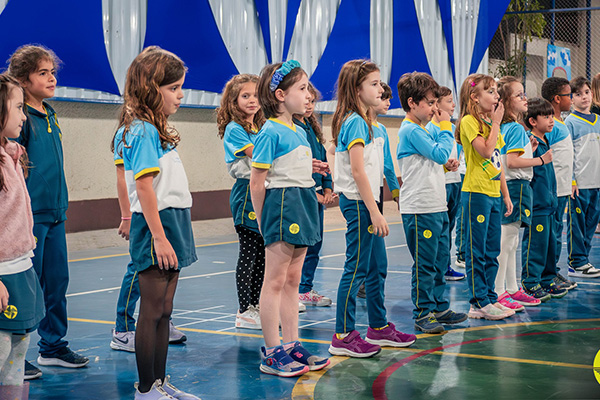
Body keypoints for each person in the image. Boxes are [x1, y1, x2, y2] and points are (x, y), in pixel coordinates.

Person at [112, 46, 199, 399]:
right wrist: (159, 238)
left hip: (174, 220)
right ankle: (145, 389)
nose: (180, 95)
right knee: (150, 311)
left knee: (165, 310)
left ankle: (161, 384)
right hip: (156, 226)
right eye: (174, 88)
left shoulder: (156, 128)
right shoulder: (141, 130)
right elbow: (144, 186)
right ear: (151, 87)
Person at [8, 45, 88, 379]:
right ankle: (15, 354)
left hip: (56, 212)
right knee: (29, 287)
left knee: (57, 282)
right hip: (32, 215)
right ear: (24, 80)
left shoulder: (49, 113)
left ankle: (53, 347)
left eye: (53, 72)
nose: (52, 78)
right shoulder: (20, 118)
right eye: (43, 73)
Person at [328, 60, 416, 357]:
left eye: (380, 83)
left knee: (378, 267)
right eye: (375, 84)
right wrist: (375, 211)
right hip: (358, 204)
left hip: (370, 202)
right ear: (357, 89)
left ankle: (378, 327)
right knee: (356, 269)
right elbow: (357, 171)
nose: (381, 88)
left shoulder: (370, 124)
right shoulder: (354, 122)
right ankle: (343, 334)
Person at [250, 60, 330, 377]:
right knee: (275, 281)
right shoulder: (269, 130)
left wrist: (310, 166)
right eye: (302, 88)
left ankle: (292, 343)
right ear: (280, 95)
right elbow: (258, 180)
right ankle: (271, 351)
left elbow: (287, 164)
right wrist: (262, 219)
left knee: (293, 282)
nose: (308, 94)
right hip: (282, 206)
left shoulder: (298, 129)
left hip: (303, 202)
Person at [396, 73, 467, 334]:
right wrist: (447, 126)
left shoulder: (424, 129)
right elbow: (438, 152)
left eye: (437, 102)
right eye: (430, 103)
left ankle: (439, 306)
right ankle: (422, 312)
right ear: (412, 103)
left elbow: (436, 159)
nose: (435, 108)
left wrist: (447, 164)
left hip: (436, 205)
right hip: (420, 208)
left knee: (439, 260)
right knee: (425, 264)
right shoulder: (410, 129)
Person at [110, 152, 188, 351]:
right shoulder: (131, 133)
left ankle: (164, 321)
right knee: (138, 269)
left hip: (169, 214)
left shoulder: (159, 133)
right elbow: (125, 179)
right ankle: (123, 328)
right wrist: (126, 216)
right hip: (144, 215)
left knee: (164, 274)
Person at [455, 74, 514, 321]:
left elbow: (496, 160)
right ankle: (478, 301)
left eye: (496, 91)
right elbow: (486, 150)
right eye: (490, 91)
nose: (496, 96)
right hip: (476, 193)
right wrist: (497, 122)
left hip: (493, 195)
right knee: (476, 250)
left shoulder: (490, 125)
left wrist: (506, 195)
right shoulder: (469, 122)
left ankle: (489, 297)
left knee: (492, 250)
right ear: (475, 97)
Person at [0, 73, 44, 399]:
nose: (24, 115)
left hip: (22, 271)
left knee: (15, 365)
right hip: (2, 279)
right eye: (18, 107)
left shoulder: (14, 155)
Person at [217, 74, 266, 329]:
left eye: (256, 95)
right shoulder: (235, 129)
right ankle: (244, 309)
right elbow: (258, 155)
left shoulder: (257, 127)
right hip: (246, 193)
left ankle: (256, 304)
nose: (252, 100)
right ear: (234, 100)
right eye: (245, 96)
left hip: (261, 191)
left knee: (262, 255)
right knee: (249, 253)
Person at [494, 76, 544, 308]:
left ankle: (512, 288)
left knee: (512, 242)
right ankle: (499, 290)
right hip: (515, 186)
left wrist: (530, 151)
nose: (524, 98)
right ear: (505, 101)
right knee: (507, 241)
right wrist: (541, 159)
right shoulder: (513, 127)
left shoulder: (512, 127)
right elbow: (512, 163)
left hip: (516, 186)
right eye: (518, 95)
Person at [356, 82, 401, 299]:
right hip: (360, 194)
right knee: (363, 245)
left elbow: (388, 165)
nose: (388, 103)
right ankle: (361, 281)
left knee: (377, 244)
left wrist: (396, 192)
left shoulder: (381, 129)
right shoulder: (357, 125)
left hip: (377, 190)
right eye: (384, 98)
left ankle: (370, 285)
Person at [521, 98, 568, 299]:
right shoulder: (530, 142)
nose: (551, 120)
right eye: (546, 117)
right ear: (532, 121)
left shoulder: (545, 140)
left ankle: (547, 278)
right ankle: (531, 281)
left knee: (550, 244)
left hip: (550, 205)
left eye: (552, 116)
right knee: (536, 245)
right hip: (538, 205)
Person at [293, 83, 335, 308]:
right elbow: (296, 168)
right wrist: (314, 194)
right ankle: (296, 291)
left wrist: (327, 188)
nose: (308, 104)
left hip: (317, 195)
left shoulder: (312, 127)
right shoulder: (291, 128)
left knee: (315, 244)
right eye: (305, 99)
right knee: (301, 246)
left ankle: (305, 288)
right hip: (303, 195)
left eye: (312, 101)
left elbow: (323, 161)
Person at [425, 86, 466, 281]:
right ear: (437, 104)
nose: (453, 105)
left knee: (449, 227)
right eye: (449, 101)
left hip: (455, 181)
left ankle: (445, 265)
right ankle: (436, 267)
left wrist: (455, 162)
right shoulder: (430, 128)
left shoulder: (452, 127)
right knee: (440, 229)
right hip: (440, 182)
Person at [541, 77, 578, 289]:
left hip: (563, 188)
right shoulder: (550, 125)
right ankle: (546, 275)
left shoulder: (560, 122)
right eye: (569, 95)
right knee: (550, 234)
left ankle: (552, 271)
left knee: (555, 233)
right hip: (552, 190)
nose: (571, 99)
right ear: (557, 98)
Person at [564, 77, 600, 278]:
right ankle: (576, 262)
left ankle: (584, 260)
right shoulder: (570, 122)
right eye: (577, 94)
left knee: (591, 224)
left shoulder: (598, 120)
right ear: (571, 99)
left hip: (597, 183)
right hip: (580, 184)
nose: (583, 97)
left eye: (586, 92)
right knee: (576, 224)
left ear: (592, 94)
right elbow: (568, 155)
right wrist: (572, 180)